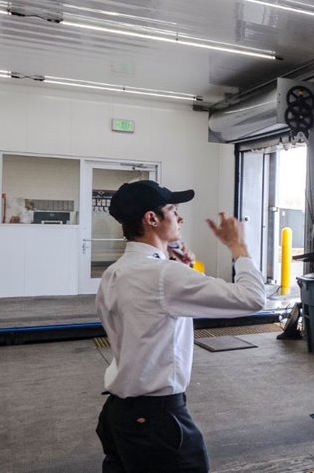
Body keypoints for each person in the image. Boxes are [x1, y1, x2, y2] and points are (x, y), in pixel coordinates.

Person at [94, 180, 266, 472]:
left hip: (118, 415)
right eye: (173, 210)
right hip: (156, 420)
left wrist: (181, 269)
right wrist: (238, 247)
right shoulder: (162, 275)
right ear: (152, 219)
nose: (180, 217)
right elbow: (253, 298)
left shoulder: (115, 273)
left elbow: (151, 320)